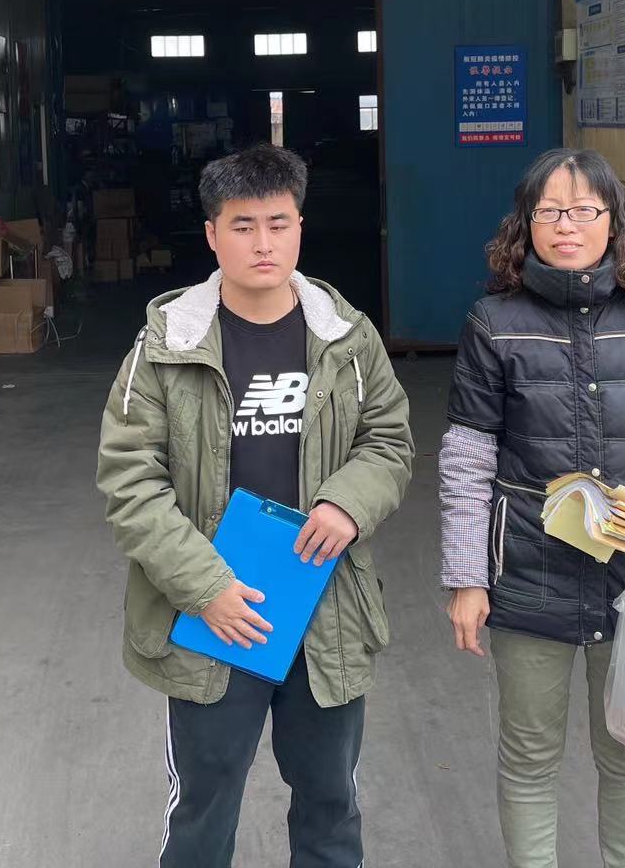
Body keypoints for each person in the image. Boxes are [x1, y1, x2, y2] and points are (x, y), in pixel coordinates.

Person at [97, 143, 414, 868]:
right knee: (203, 808)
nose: (262, 243)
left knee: (330, 804)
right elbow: (129, 480)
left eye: (278, 223)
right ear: (212, 234)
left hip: (322, 606)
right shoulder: (165, 345)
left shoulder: (347, 337)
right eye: (242, 226)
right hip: (211, 614)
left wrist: (348, 503)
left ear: (300, 226)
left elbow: (390, 439)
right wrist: (204, 587)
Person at [439, 147, 625, 868]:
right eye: (550, 211)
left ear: (613, 221)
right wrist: (466, 578)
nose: (567, 225)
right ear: (526, 225)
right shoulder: (493, 323)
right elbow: (468, 455)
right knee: (529, 757)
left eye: (584, 210)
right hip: (526, 570)